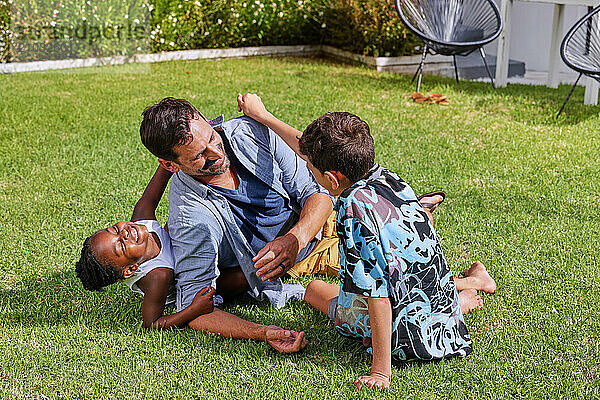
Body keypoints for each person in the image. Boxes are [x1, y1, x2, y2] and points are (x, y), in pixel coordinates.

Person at [237, 93, 497, 389]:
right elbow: (310, 150)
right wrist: (263, 115)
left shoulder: (353, 212)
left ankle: (462, 300)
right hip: (440, 309)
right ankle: (462, 298)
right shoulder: (387, 178)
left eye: (311, 169)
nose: (307, 169)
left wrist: (381, 372)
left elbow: (378, 296)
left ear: (332, 180)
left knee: (315, 290)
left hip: (409, 339)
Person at [75, 166, 307, 353]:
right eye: (121, 245)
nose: (125, 232)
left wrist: (170, 160)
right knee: (249, 274)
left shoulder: (141, 219)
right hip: (186, 288)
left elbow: (157, 183)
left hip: (190, 254)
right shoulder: (159, 276)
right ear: (131, 270)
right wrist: (193, 309)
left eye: (115, 229)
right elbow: (152, 323)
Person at [138, 97, 335, 317]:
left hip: (322, 222)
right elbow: (194, 301)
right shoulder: (188, 216)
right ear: (169, 165)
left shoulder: (251, 132)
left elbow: (317, 193)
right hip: (310, 257)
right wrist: (264, 332)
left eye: (212, 137)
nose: (216, 153)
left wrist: (295, 239)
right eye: (199, 156)